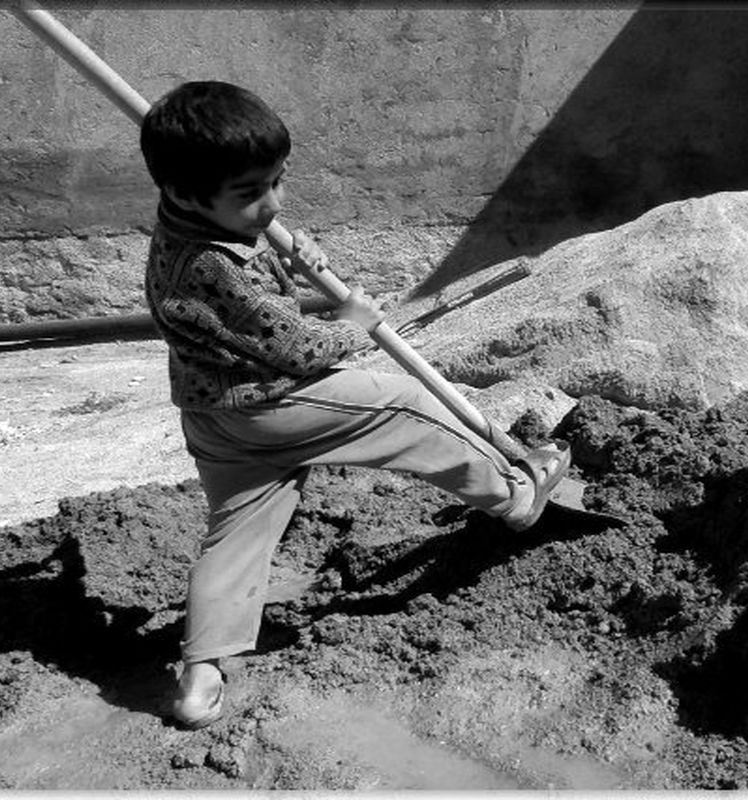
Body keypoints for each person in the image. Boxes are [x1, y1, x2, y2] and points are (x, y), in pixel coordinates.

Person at [139, 80, 569, 729]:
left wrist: (292, 251)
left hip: (214, 417)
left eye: (277, 182)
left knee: (237, 532)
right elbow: (296, 348)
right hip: (272, 400)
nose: (272, 204)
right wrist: (354, 323)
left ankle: (201, 675)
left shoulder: (189, 220)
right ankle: (516, 494)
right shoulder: (208, 267)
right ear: (182, 190)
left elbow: (252, 263)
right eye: (253, 193)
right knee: (407, 405)